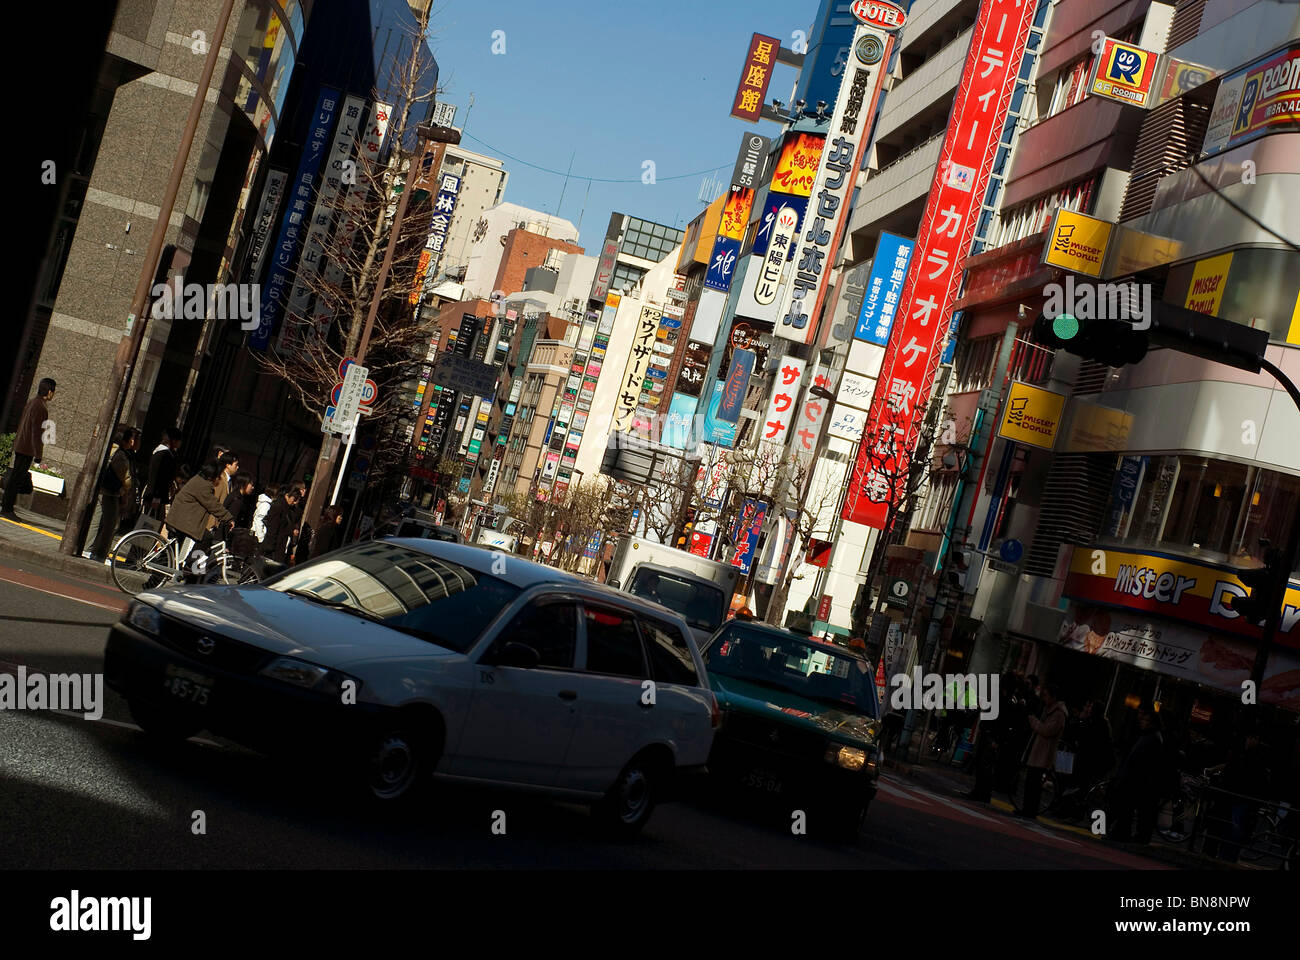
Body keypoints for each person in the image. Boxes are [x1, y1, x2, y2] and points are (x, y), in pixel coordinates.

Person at [1107, 704, 1171, 844]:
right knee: (1131, 809)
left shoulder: (1151, 737)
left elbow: (1142, 761)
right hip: (1138, 780)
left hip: (1138, 780)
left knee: (1129, 809)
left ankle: (1122, 833)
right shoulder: (1150, 736)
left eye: (1145, 720)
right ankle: (1124, 833)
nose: (1141, 721)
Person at [165, 462, 234, 573]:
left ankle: (154, 581)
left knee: (170, 554)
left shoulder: (198, 480)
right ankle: (190, 565)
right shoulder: (203, 486)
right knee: (206, 538)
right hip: (181, 521)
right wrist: (228, 518)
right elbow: (212, 504)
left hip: (179, 519)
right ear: (212, 476)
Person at [2, 377, 55, 519]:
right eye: (53, 391)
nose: (53, 395)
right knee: (16, 478)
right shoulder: (41, 407)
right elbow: (36, 432)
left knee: (15, 477)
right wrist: (38, 454)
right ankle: (7, 509)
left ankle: (7, 507)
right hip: (27, 447)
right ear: (49, 391)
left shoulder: (33, 402)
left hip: (22, 445)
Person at [88, 426, 141, 562]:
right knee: (110, 524)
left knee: (101, 521)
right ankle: (96, 553)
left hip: (107, 490)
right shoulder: (120, 454)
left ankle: (92, 550)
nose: (134, 442)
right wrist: (126, 493)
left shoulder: (115, 450)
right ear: (128, 440)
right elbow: (126, 478)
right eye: (133, 439)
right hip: (111, 492)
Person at [1019, 681, 1068, 819]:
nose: (1044, 698)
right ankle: (1027, 809)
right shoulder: (1048, 710)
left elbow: (1047, 730)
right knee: (1030, 782)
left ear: (1053, 697)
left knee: (1034, 784)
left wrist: (1033, 721)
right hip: (1038, 751)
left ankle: (1030, 810)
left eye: (1046, 696)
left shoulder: (1058, 714)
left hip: (1044, 753)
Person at [144, 426, 182, 520]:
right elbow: (157, 477)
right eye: (179, 440)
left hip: (158, 496)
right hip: (155, 497)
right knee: (151, 524)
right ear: (173, 440)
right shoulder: (163, 455)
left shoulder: (166, 453)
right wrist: (156, 497)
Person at [261, 485, 301, 563]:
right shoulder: (278, 507)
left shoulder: (289, 509)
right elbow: (273, 528)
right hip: (273, 548)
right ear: (287, 495)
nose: (295, 502)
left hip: (280, 546)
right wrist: (270, 547)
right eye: (294, 499)